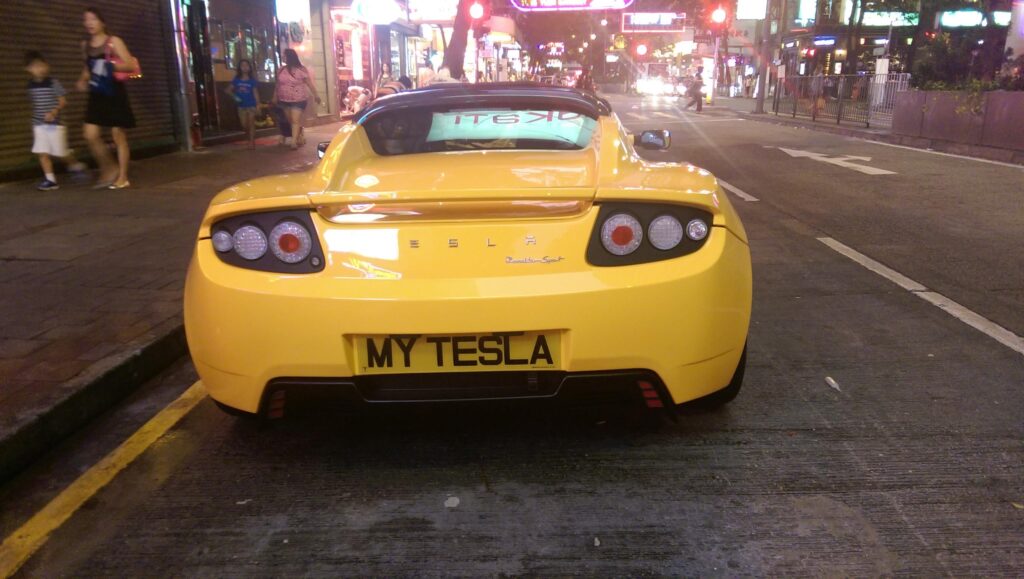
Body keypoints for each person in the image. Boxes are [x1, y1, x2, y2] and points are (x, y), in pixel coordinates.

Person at [76, 7, 136, 189]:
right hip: (97, 93)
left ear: (102, 22)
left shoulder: (113, 41)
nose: (89, 23)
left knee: (118, 135)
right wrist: (82, 80)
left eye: (93, 19)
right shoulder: (85, 45)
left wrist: (108, 66)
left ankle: (123, 177)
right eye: (86, 20)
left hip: (114, 92)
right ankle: (109, 167)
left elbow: (129, 65)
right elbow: (88, 68)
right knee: (90, 134)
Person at [25, 51, 86, 191]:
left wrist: (54, 112)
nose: (39, 69)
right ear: (28, 69)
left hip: (55, 123)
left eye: (41, 65)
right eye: (35, 66)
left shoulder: (53, 82)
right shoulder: (30, 86)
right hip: (39, 124)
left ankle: (75, 164)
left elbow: (63, 101)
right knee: (42, 152)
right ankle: (50, 180)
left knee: (60, 152)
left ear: (46, 66)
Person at [272, 48, 321, 150]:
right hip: (284, 99)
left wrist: (316, 95)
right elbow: (278, 85)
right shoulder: (281, 70)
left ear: (290, 57)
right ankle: (299, 134)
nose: (283, 57)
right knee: (291, 120)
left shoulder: (301, 69)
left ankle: (293, 142)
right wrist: (274, 96)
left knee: (295, 120)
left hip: (299, 99)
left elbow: (309, 83)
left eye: (284, 55)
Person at [225, 59, 261, 149]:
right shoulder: (236, 80)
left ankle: (252, 142)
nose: (244, 67)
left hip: (251, 105)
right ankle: (248, 138)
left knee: (251, 123)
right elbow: (228, 90)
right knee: (244, 125)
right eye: (242, 65)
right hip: (241, 106)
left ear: (249, 68)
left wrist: (258, 105)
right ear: (239, 68)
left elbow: (255, 93)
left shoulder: (252, 81)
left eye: (246, 65)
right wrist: (235, 97)